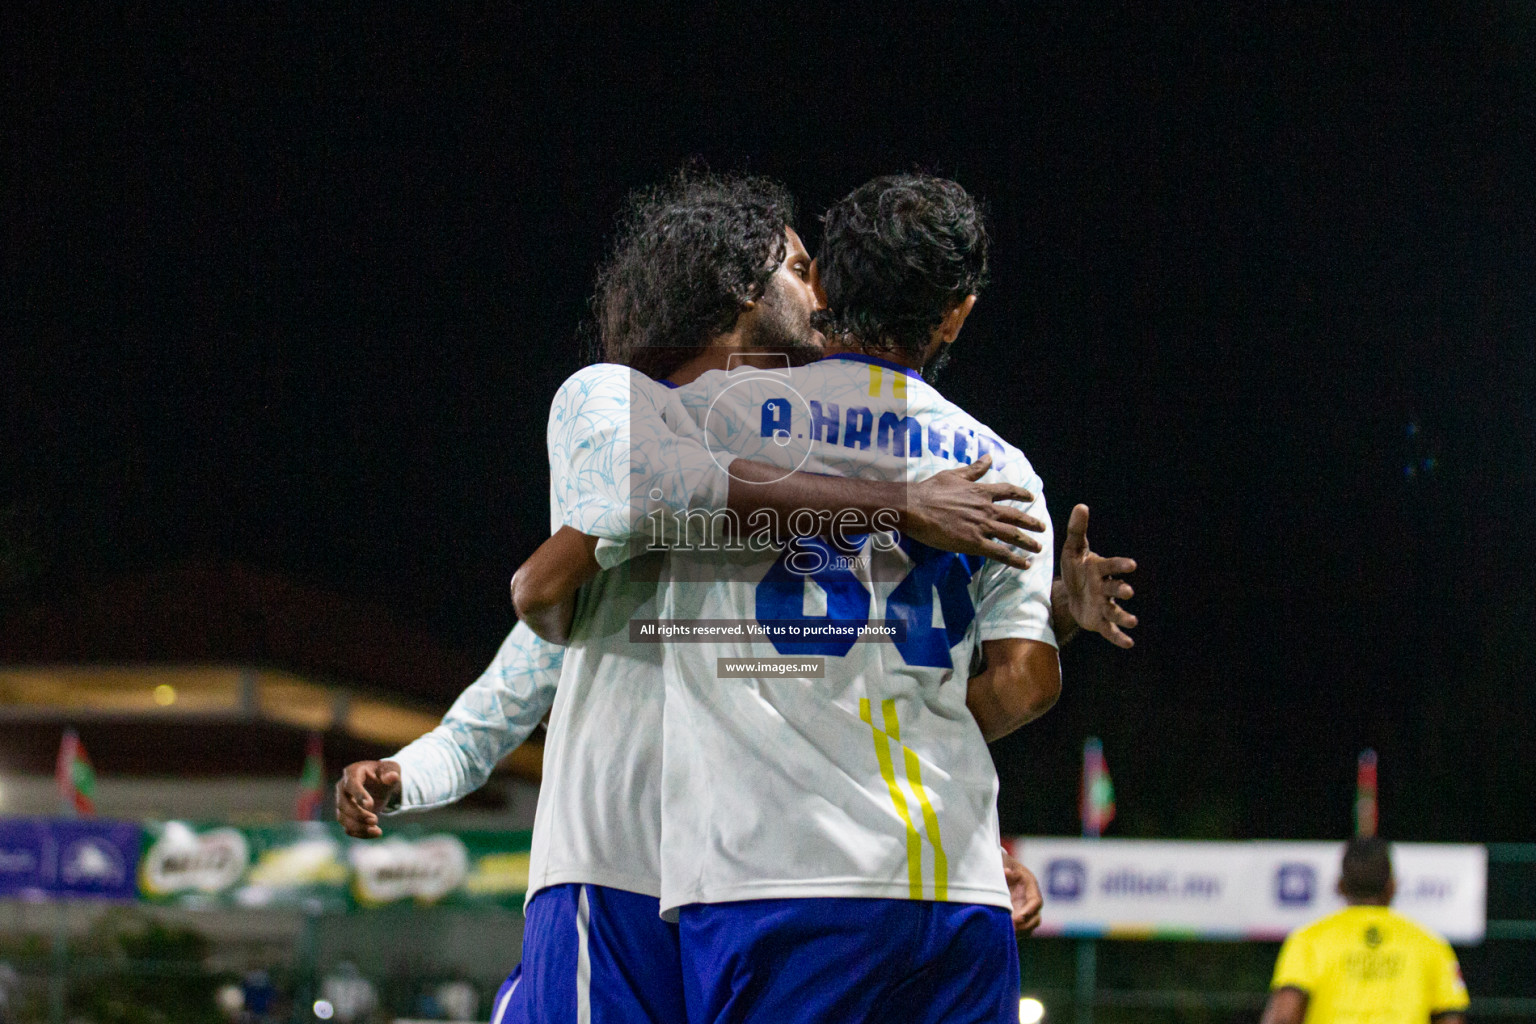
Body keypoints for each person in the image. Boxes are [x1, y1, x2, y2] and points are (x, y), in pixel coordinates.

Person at [339, 172, 1110, 1023]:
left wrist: (966, 835)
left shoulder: (730, 433)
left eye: (823, 268)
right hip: (627, 867)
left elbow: (864, 681)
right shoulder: (632, 409)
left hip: (758, 878)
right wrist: (908, 509)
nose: (816, 289)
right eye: (798, 265)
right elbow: (545, 602)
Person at [1260, 838, 1469, 1024]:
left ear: (1340, 885)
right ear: (1392, 886)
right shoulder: (1431, 944)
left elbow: (1284, 1016)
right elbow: (1451, 1017)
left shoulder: (1308, 940)